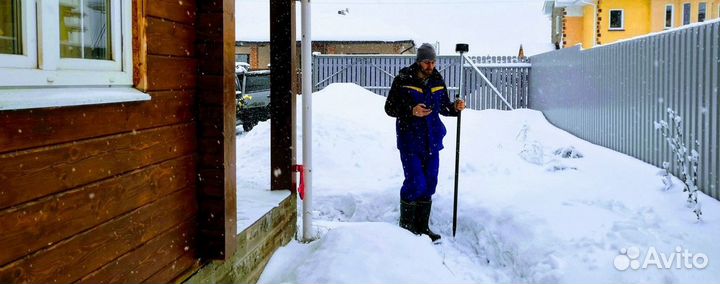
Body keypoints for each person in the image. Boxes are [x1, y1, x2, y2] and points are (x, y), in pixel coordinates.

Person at [384, 43, 465, 242]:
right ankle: (406, 230)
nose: (431, 66)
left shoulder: (437, 78)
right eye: (427, 62)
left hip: (432, 140)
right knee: (415, 183)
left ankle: (422, 228)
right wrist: (411, 110)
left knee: (429, 184)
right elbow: (390, 107)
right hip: (410, 140)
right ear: (419, 62)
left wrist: (455, 107)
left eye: (433, 62)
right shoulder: (404, 79)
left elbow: (444, 107)